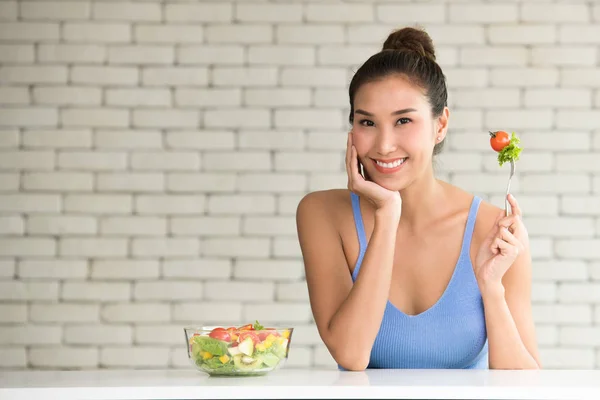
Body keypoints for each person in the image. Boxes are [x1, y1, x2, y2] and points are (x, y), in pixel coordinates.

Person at [295, 26, 541, 371]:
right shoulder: (322, 214)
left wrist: (491, 287)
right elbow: (351, 354)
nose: (383, 145)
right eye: (367, 122)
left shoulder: (494, 228)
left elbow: (524, 386)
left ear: (440, 125)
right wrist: (387, 215)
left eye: (403, 121)